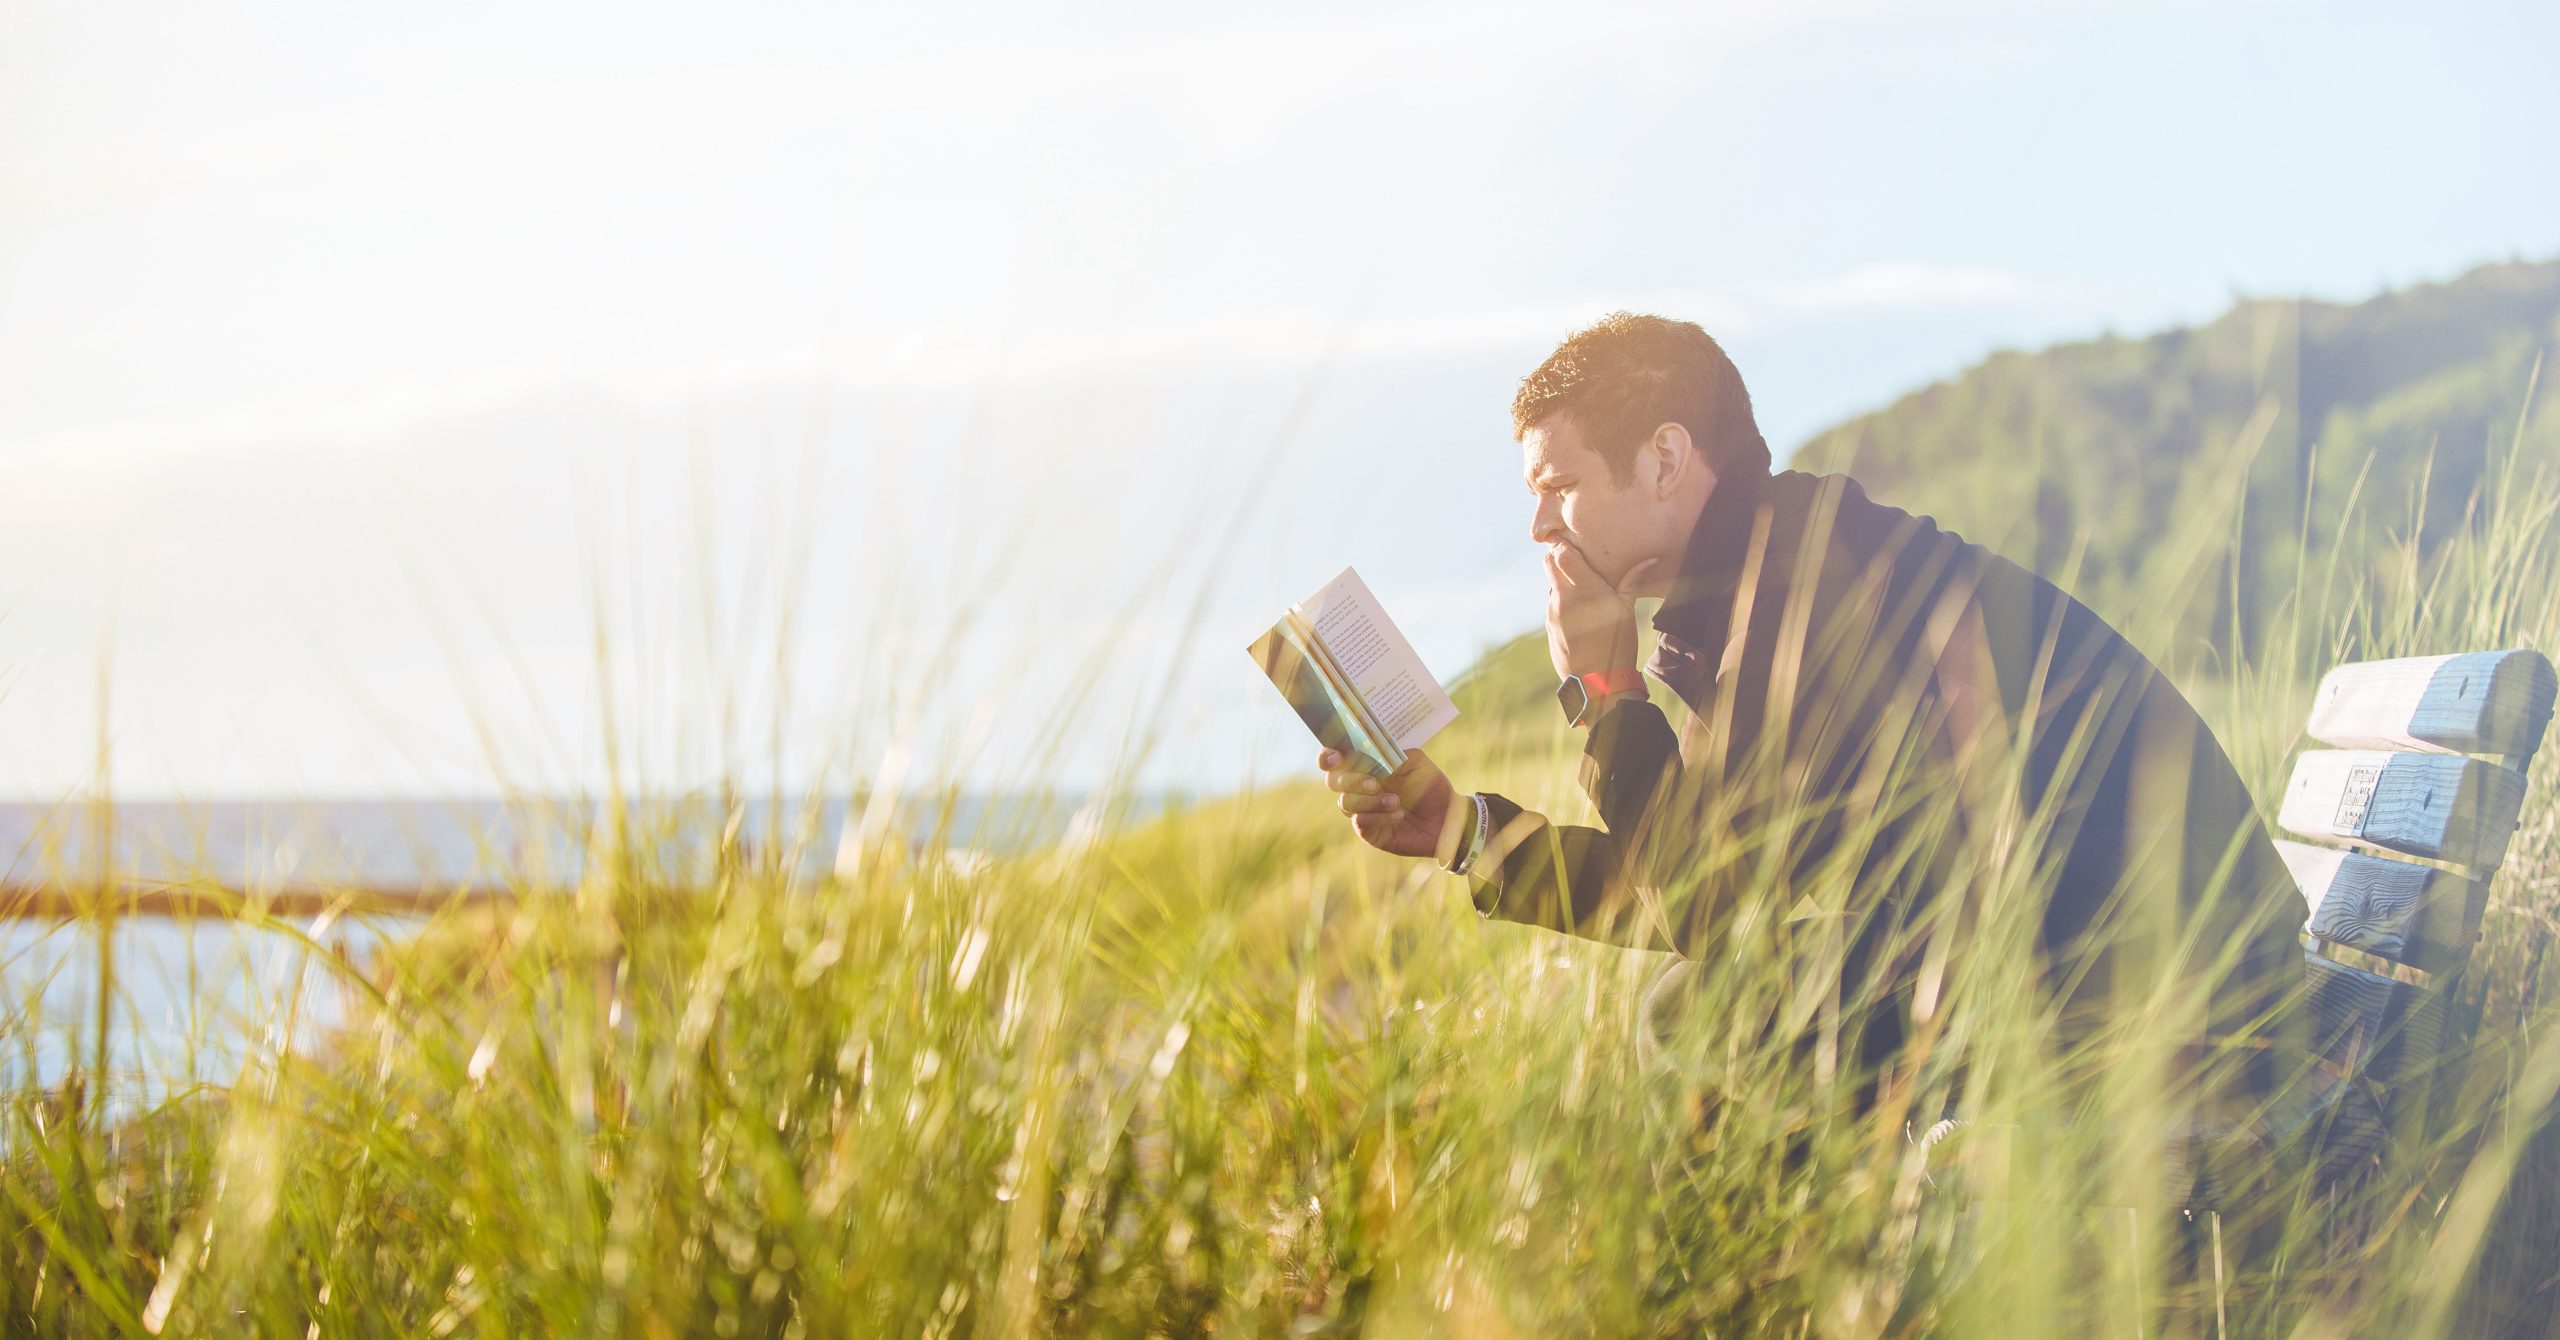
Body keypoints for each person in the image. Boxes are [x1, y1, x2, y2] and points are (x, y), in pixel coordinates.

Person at [1317, 312, 2310, 1207]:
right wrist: (1460, 830)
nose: (1539, 527)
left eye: (1558, 486)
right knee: (1728, 1003)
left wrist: (1609, 694)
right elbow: (1708, 881)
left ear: (1665, 458)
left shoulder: (1812, 589)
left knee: (1709, 1014)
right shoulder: (1767, 577)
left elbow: (1699, 903)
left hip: (2188, 1011)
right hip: (2105, 969)